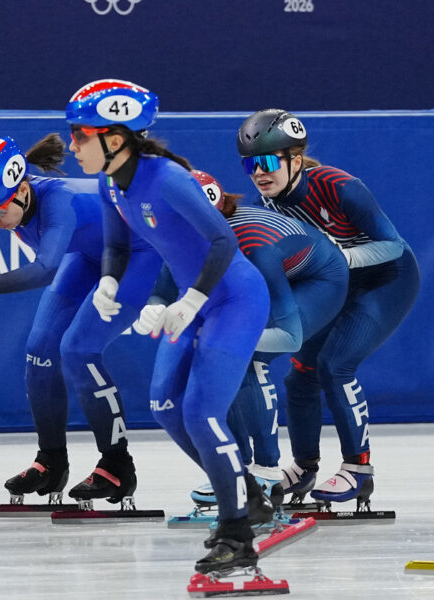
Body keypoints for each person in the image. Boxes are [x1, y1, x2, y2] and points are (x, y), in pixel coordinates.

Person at [66, 79, 272, 574]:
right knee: (164, 406)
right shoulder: (109, 182)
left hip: (234, 299)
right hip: (194, 300)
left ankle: (238, 533)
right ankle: (247, 494)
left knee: (202, 412)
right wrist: (109, 283)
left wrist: (192, 299)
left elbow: (223, 242)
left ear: (115, 139)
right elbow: (116, 246)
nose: (72, 145)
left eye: (80, 135)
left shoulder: (169, 180)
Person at [0, 134, 161, 506]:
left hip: (139, 255)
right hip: (88, 256)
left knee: (78, 350)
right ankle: (51, 460)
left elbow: (44, 269)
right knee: (40, 351)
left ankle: (118, 465)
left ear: (23, 190)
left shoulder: (60, 202)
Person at [236, 109, 420, 506]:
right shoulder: (264, 210)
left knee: (335, 367)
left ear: (295, 159)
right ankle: (304, 467)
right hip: (331, 285)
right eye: (250, 165)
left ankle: (359, 469)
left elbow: (393, 245)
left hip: (387, 279)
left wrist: (340, 258)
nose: (259, 173)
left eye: (267, 162)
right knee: (299, 376)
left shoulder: (337, 185)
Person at [138, 171, 348, 505]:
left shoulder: (252, 248)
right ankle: (238, 466)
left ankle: (266, 471)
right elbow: (163, 289)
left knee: (245, 358)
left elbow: (290, 337)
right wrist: (153, 307)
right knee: (220, 361)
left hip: (317, 282)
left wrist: (231, 340)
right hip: (268, 276)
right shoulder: (177, 235)